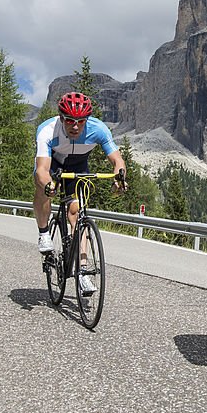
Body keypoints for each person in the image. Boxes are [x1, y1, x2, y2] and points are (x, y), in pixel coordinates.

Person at [34, 91, 127, 296]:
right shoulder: (47, 130)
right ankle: (43, 234)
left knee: (77, 213)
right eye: (69, 121)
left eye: (81, 121)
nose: (75, 127)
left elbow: (117, 161)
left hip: (78, 166)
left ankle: (82, 272)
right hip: (54, 164)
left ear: (88, 120)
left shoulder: (99, 129)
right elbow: (42, 170)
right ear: (61, 118)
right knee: (43, 190)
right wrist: (49, 185)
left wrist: (119, 179)